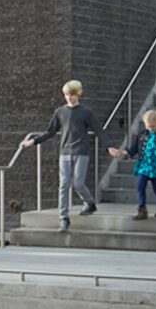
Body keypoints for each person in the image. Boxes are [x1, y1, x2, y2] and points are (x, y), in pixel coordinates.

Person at [21, 80, 111, 231]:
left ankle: (90, 202)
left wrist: (109, 146)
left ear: (78, 94)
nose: (70, 97)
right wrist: (33, 141)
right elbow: (50, 131)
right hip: (65, 153)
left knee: (78, 183)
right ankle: (63, 218)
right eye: (67, 94)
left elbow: (99, 130)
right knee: (63, 185)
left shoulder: (86, 112)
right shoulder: (60, 112)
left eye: (73, 94)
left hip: (81, 152)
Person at [116, 109, 156, 219]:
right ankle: (142, 209)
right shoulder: (142, 135)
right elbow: (134, 148)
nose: (150, 128)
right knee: (140, 186)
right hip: (144, 165)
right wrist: (124, 152)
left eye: (153, 126)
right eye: (148, 126)